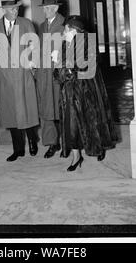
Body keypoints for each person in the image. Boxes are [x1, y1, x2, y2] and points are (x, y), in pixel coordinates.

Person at [53, 15, 119, 171]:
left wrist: (66, 66)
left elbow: (86, 69)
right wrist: (58, 64)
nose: (64, 31)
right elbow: (58, 74)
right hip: (69, 92)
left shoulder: (88, 44)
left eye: (66, 28)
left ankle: (99, 147)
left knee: (93, 121)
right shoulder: (63, 45)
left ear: (73, 30)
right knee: (71, 125)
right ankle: (76, 157)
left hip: (87, 92)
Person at [0, 0, 39, 162]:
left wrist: (32, 66)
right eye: (12, 8)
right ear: (5, 10)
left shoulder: (26, 24)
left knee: (27, 111)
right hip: (5, 77)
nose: (15, 11)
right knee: (11, 114)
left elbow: (35, 47)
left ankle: (33, 142)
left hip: (23, 74)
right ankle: (18, 149)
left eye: (17, 8)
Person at [35, 0, 65, 158]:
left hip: (58, 74)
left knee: (63, 110)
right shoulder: (40, 27)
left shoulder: (65, 25)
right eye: (44, 8)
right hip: (43, 75)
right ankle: (52, 144)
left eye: (47, 8)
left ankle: (68, 143)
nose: (44, 11)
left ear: (56, 8)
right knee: (46, 111)